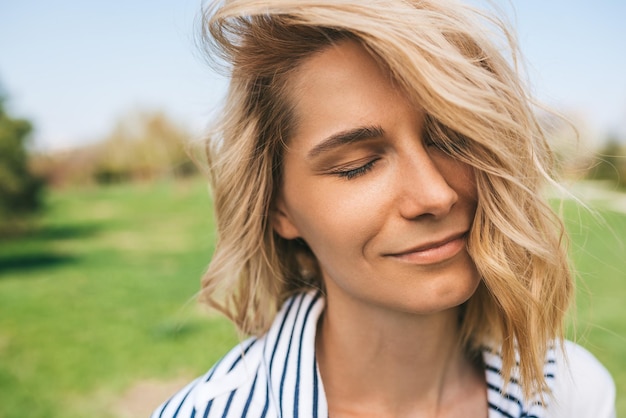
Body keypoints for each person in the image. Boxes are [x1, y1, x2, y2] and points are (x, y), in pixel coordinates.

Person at [153, 0, 615, 417]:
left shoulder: (570, 394)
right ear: (279, 210)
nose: (435, 195)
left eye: (452, 139)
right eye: (358, 165)